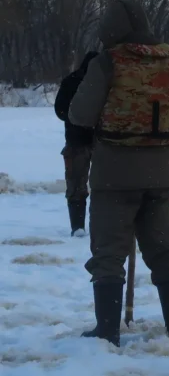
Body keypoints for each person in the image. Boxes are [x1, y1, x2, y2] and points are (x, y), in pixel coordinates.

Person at [69, 0, 169, 348]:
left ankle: (107, 332)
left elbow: (80, 114)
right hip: (161, 173)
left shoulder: (109, 61)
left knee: (108, 253)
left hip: (115, 173)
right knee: (166, 250)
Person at [54, 50, 99, 237]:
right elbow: (61, 110)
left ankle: (79, 227)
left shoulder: (72, 80)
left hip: (82, 142)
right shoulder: (103, 82)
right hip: (95, 142)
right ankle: (82, 228)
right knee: (97, 187)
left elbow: (60, 110)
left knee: (77, 187)